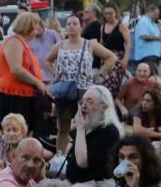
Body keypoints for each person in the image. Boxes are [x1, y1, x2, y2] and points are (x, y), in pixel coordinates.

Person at [46, 15, 118, 153]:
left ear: (80, 26)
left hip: (84, 90)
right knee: (63, 127)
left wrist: (100, 74)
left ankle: (87, 153)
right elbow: (48, 60)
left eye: (75, 23)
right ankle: (60, 157)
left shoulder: (89, 44)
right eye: (68, 24)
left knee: (87, 124)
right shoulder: (60, 44)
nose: (71, 26)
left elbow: (111, 57)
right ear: (65, 27)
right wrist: (56, 74)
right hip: (65, 90)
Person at [65, 86, 123, 187]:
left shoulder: (109, 131)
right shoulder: (87, 128)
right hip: (82, 185)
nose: (84, 105)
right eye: (83, 101)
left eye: (90, 101)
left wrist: (79, 129)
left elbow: (83, 162)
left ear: (104, 106)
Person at [0, 13, 46, 136]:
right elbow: (16, 69)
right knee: (16, 130)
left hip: (22, 94)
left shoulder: (21, 42)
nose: (39, 27)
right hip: (14, 94)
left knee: (24, 130)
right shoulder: (15, 42)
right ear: (28, 26)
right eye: (36, 25)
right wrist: (37, 82)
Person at [134, 4, 161, 76]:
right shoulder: (143, 21)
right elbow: (144, 36)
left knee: (153, 77)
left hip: (154, 54)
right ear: (150, 12)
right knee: (151, 77)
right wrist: (159, 38)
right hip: (147, 55)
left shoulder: (152, 23)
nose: (157, 16)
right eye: (156, 14)